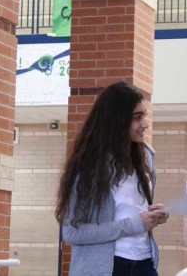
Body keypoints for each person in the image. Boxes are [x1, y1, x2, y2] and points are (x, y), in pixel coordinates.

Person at [55, 81, 168, 276]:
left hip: (144, 264)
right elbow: (72, 232)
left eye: (145, 116)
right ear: (117, 121)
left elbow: (135, 212)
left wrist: (154, 215)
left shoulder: (146, 156)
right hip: (107, 268)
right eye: (137, 117)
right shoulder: (90, 166)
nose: (145, 124)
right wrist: (134, 224)